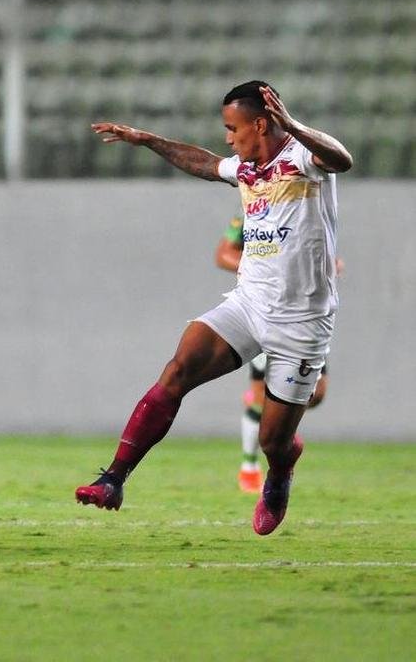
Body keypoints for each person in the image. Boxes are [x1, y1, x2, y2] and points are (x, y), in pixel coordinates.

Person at [75, 82, 351, 535]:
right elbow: (203, 162)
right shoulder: (245, 168)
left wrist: (295, 126)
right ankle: (114, 478)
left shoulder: (303, 159)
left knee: (273, 439)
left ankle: (281, 469)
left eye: (232, 128)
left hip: (302, 321)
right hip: (249, 303)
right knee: (179, 367)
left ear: (261, 123)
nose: (228, 138)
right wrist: (149, 140)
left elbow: (343, 159)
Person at [215, 216, 333, 493]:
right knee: (259, 396)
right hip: (265, 311)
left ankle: (275, 416)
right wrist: (260, 270)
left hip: (305, 313)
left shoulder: (308, 207)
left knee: (316, 393)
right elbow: (223, 254)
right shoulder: (253, 211)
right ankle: (249, 468)